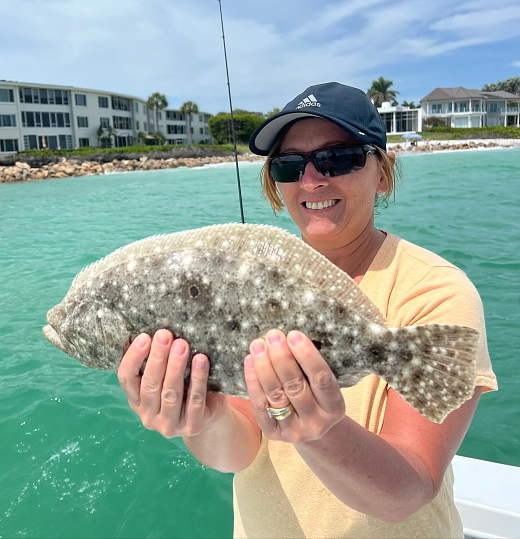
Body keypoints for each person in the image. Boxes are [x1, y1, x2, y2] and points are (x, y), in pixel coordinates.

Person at [118, 82, 497, 539]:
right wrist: (199, 413)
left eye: (339, 158)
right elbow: (237, 452)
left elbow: (408, 491)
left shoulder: (435, 290)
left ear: (382, 172)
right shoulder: (246, 283)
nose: (313, 179)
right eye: (290, 165)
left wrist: (321, 432)